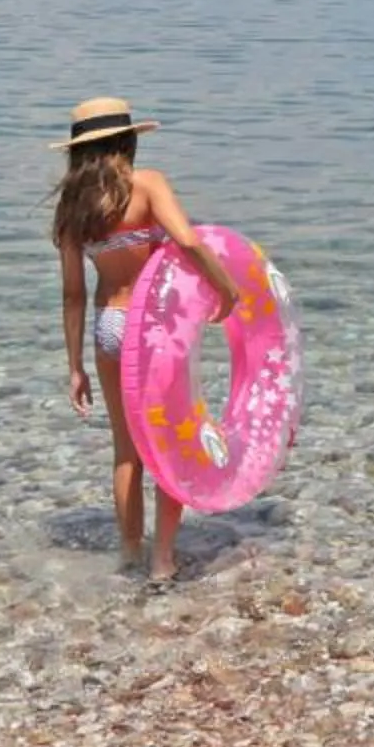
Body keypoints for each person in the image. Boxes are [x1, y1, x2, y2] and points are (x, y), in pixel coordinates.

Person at [50, 96, 246, 585]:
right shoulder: (146, 184)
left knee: (126, 450)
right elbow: (187, 240)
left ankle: (128, 554)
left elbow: (73, 295)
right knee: (168, 443)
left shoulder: (72, 208)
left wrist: (74, 366)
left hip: (109, 327)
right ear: (129, 140)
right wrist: (227, 288)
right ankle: (162, 560)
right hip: (151, 327)